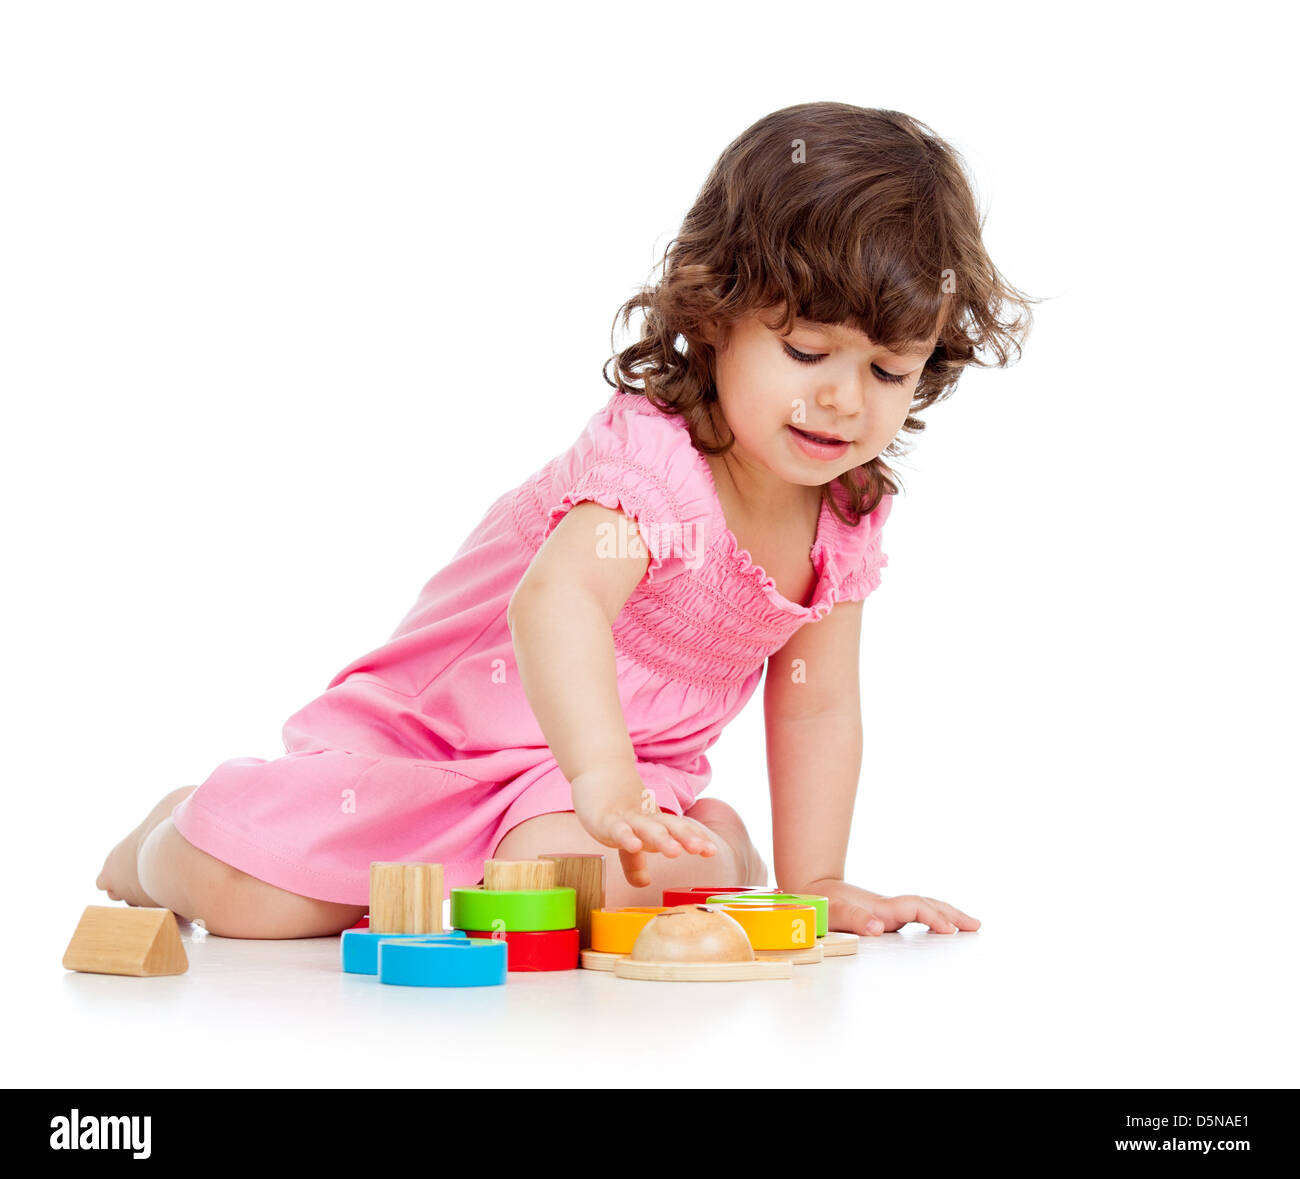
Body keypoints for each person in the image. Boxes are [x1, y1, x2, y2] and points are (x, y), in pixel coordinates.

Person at [97, 102, 1034, 939]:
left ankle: (646, 855)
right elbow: (558, 605)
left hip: (590, 792)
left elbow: (819, 699)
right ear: (718, 318)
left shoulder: (843, 516)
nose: (841, 400)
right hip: (449, 741)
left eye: (886, 371)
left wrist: (817, 878)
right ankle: (167, 837)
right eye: (806, 350)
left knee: (577, 883)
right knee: (260, 902)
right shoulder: (657, 467)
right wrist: (602, 776)